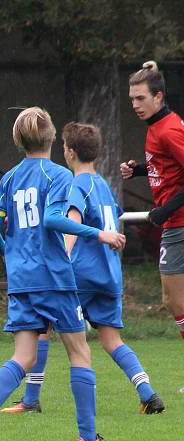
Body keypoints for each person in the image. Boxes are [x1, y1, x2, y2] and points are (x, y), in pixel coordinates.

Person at [0, 107, 126, 441]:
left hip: (22, 281)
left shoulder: (9, 178)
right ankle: (88, 439)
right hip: (54, 278)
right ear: (52, 137)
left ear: (19, 140)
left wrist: (14, 256)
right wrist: (100, 234)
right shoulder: (59, 176)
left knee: (24, 355)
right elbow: (52, 219)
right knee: (80, 352)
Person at [2, 122, 164, 415]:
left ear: (70, 152)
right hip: (109, 274)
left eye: (64, 147)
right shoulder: (103, 184)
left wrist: (58, 258)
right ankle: (147, 393)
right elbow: (113, 220)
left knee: (41, 328)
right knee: (111, 340)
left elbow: (72, 224)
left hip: (81, 275)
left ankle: (31, 398)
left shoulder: (76, 184)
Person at [120, 61, 184, 344]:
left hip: (179, 222)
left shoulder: (168, 131)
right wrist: (139, 171)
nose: (135, 104)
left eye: (141, 98)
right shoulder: (157, 125)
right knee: (174, 301)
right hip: (174, 220)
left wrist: (163, 211)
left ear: (158, 97)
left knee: (174, 301)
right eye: (132, 98)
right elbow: (167, 166)